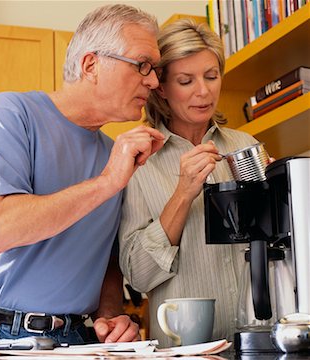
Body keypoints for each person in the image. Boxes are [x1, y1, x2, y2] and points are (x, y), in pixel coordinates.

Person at [0, 4, 165, 354]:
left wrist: (109, 313)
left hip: (73, 340)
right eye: (143, 65)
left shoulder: (116, 156)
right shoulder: (9, 116)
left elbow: (106, 256)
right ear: (91, 65)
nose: (153, 81)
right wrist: (106, 182)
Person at [118, 18, 261, 348]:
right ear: (162, 88)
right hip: (182, 351)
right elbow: (138, 275)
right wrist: (183, 193)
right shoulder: (138, 163)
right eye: (186, 80)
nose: (204, 90)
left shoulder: (246, 147)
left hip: (256, 346)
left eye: (212, 76)